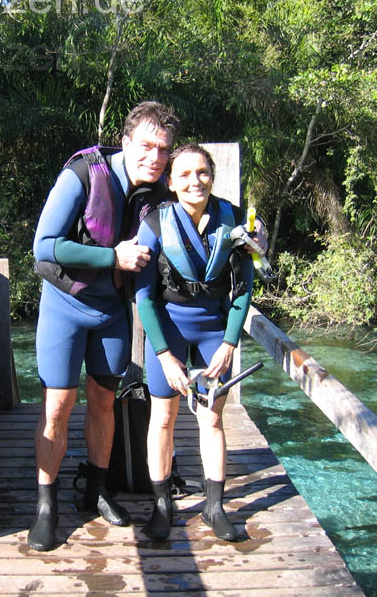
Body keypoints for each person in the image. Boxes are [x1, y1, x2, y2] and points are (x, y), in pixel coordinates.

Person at [29, 101, 180, 551]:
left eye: (164, 150)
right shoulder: (83, 173)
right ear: (127, 140)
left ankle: (96, 488)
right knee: (58, 404)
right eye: (147, 146)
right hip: (65, 305)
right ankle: (46, 504)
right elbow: (43, 246)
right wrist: (111, 256)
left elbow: (205, 205)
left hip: (112, 311)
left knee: (103, 400)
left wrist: (250, 234)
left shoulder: (159, 191)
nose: (155, 157)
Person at [134, 143, 257, 542]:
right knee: (163, 418)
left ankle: (214, 505)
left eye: (202, 172)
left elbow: (242, 290)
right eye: (184, 174)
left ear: (212, 176)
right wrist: (165, 356)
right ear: (170, 183)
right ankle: (162, 506)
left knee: (213, 417)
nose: (194, 181)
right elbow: (144, 296)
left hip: (213, 332)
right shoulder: (153, 223)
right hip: (168, 329)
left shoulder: (233, 220)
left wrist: (229, 344)